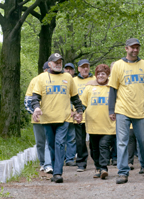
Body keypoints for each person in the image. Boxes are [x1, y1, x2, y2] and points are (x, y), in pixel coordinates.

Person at [108, 38, 144, 184]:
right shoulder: (118, 66)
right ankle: (122, 172)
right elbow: (113, 89)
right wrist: (111, 109)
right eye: (132, 47)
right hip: (122, 109)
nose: (135, 50)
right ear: (126, 48)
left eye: (137, 47)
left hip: (140, 110)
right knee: (122, 142)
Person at [31, 53, 83, 183]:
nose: (58, 64)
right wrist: (36, 108)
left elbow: (75, 98)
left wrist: (79, 111)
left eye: (60, 62)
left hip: (63, 118)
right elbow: (35, 97)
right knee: (52, 145)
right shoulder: (41, 78)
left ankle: (58, 173)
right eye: (55, 62)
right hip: (47, 118)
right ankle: (54, 169)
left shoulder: (68, 77)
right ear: (49, 64)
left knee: (60, 143)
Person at [81, 64, 115, 179]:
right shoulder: (89, 87)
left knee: (104, 145)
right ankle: (97, 167)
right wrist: (78, 113)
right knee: (94, 147)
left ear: (108, 75)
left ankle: (104, 167)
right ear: (96, 75)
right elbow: (83, 104)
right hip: (93, 123)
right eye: (99, 74)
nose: (101, 76)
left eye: (103, 74)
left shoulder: (112, 88)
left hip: (108, 124)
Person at [24, 61, 53, 174]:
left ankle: (48, 164)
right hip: (37, 118)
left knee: (47, 141)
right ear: (45, 69)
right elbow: (28, 100)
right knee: (40, 142)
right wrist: (34, 112)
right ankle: (43, 162)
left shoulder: (56, 80)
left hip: (50, 117)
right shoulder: (35, 80)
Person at [73, 59, 96, 172]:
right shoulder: (73, 81)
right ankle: (81, 163)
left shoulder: (95, 80)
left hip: (93, 115)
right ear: (78, 69)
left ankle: (97, 160)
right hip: (79, 116)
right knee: (80, 141)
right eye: (83, 67)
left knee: (94, 140)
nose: (85, 69)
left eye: (87, 66)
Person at [63, 63, 77, 166]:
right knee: (60, 138)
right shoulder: (61, 81)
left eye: (70, 69)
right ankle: (61, 157)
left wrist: (76, 111)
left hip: (73, 114)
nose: (68, 71)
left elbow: (76, 98)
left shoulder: (75, 81)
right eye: (66, 69)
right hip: (61, 114)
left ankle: (70, 158)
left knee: (71, 137)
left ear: (74, 71)